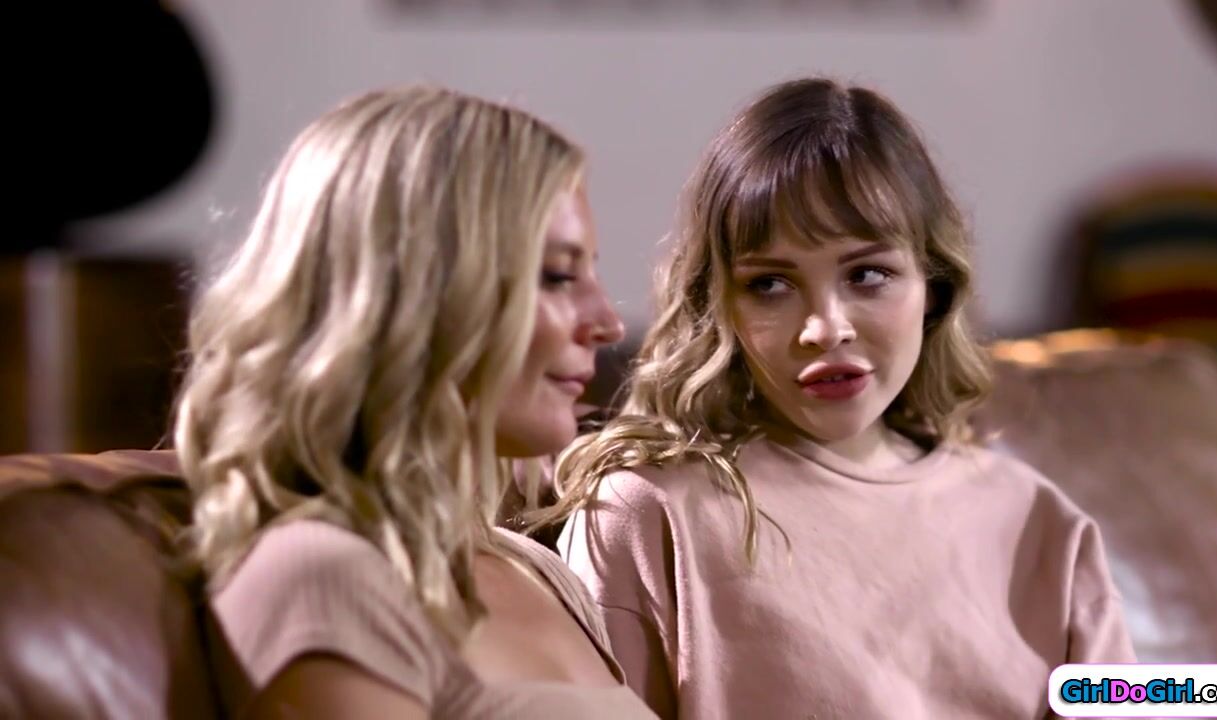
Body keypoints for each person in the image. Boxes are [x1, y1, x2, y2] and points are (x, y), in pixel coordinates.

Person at [535, 77, 1136, 719]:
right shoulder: (649, 512)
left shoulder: (1040, 523)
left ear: (932, 286)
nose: (825, 328)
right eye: (770, 285)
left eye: (867, 275)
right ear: (721, 305)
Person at [174, 85, 657, 719]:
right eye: (558, 276)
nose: (607, 323)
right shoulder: (322, 574)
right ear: (420, 295)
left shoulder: (539, 570)